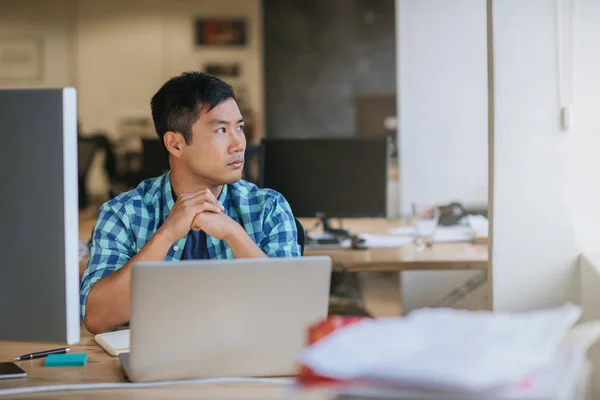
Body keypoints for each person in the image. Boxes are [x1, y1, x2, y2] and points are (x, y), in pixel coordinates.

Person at [80, 72, 300, 334]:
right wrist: (166, 234)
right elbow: (97, 318)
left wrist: (233, 233)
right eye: (221, 130)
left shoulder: (269, 208)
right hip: (154, 366)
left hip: (244, 360)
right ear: (175, 144)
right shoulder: (122, 213)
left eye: (239, 128)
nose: (238, 144)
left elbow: (292, 311)